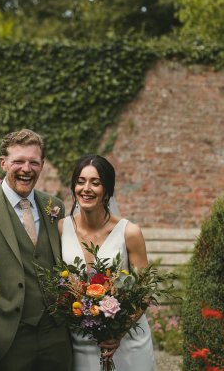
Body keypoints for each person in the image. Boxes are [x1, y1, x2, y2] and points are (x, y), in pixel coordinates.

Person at [0, 129, 73, 371]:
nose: (26, 169)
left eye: (33, 162)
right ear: (4, 163)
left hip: (55, 335)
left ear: (42, 165)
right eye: (19, 161)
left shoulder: (53, 206)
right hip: (7, 334)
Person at [59, 154, 155, 371]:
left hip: (128, 341)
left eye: (96, 182)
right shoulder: (61, 229)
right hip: (81, 340)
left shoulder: (129, 232)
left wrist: (118, 333)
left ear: (107, 190)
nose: (86, 188)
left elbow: (146, 290)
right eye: (81, 181)